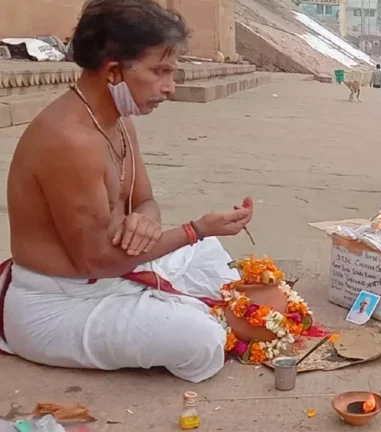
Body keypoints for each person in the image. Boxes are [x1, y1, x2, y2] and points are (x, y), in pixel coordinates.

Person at [0, 0, 254, 383]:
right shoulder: (70, 140)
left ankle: (160, 303)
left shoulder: (116, 120)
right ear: (114, 71)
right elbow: (96, 262)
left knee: (210, 257)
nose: (170, 87)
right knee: (201, 340)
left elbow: (146, 200)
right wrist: (194, 230)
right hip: (57, 303)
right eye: (160, 71)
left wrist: (145, 222)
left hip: (113, 269)